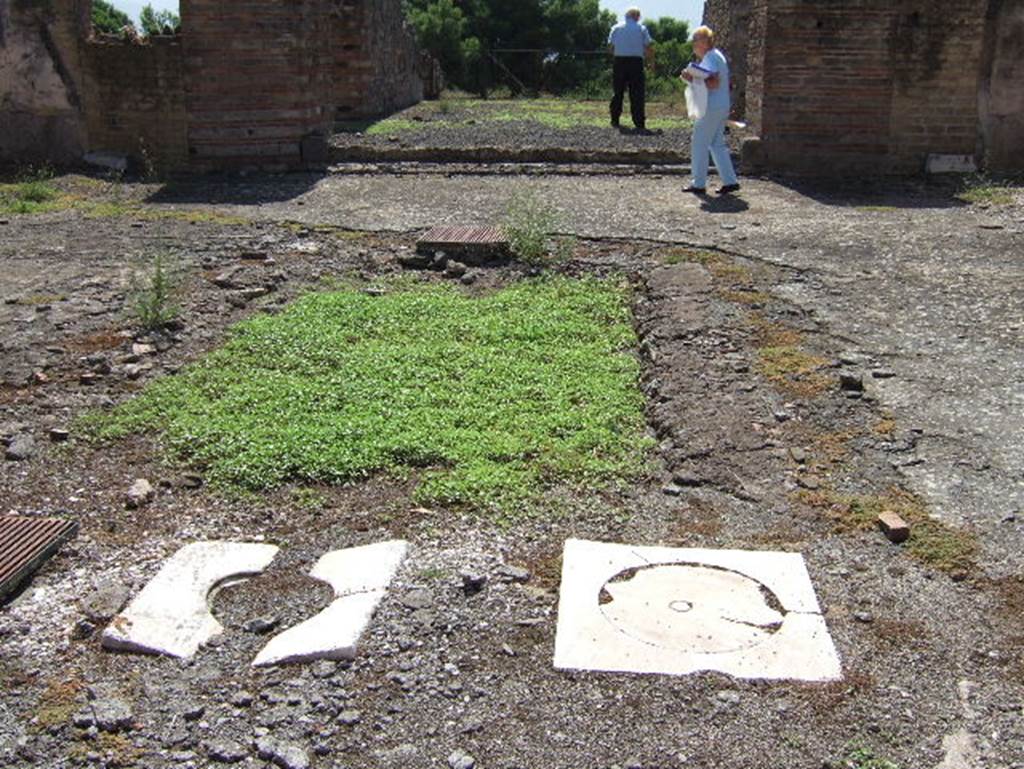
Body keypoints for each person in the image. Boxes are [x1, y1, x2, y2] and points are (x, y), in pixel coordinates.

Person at [680, 26, 740, 195]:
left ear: (705, 41)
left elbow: (713, 82)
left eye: (695, 40)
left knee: (699, 142)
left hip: (711, 107)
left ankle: (698, 183)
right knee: (717, 144)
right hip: (720, 105)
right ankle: (730, 181)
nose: (693, 44)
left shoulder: (711, 57)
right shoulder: (714, 56)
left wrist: (691, 78)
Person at [608, 8, 654, 133]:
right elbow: (648, 46)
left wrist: (615, 58)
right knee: (637, 93)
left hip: (619, 61)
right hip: (636, 63)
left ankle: (615, 119)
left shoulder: (616, 28)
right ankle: (639, 122)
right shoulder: (641, 28)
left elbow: (611, 46)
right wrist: (651, 62)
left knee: (618, 92)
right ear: (637, 16)